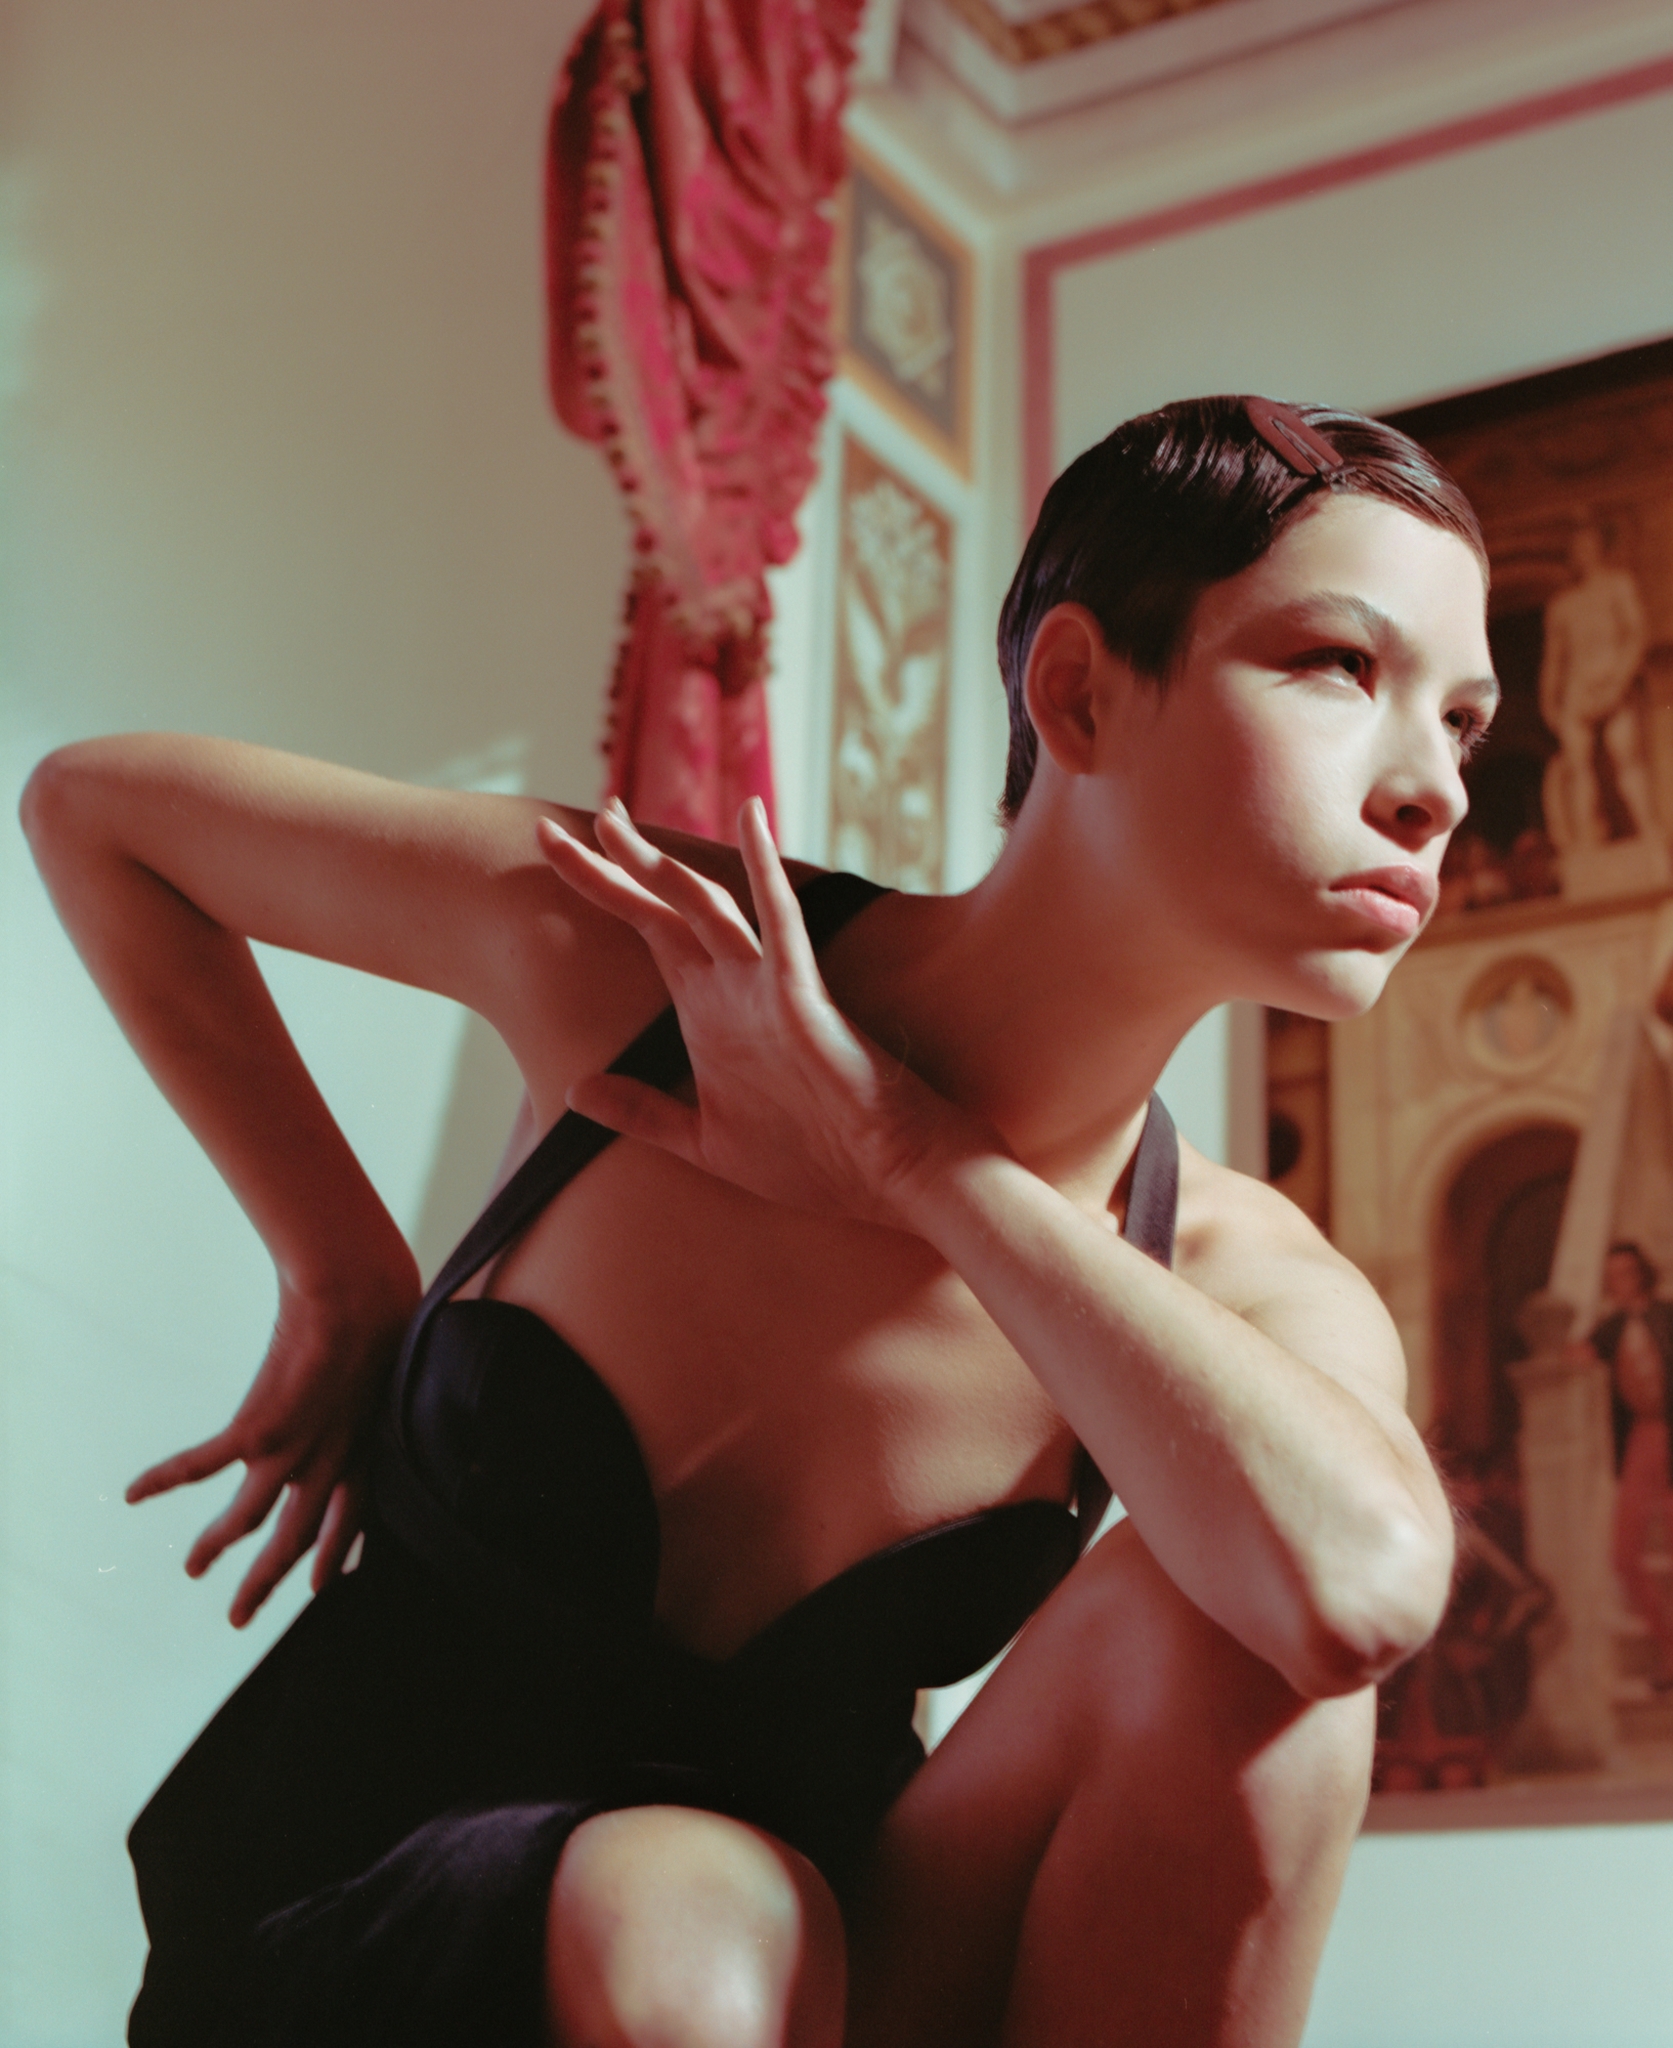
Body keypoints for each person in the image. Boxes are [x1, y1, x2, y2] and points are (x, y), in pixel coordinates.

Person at [21, 395, 1491, 2048]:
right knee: (700, 1928)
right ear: (1079, 689)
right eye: (1339, 666)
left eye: (1462, 722)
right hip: (384, 1939)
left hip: (822, 1962)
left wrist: (911, 1157)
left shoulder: (1239, 1271)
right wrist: (341, 1270)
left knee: (1257, 1651)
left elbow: (1355, 1599)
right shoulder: (664, 954)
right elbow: (100, 814)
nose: (1432, 787)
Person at [1585, 1242, 1673, 1687]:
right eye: (1610, 1277)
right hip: (1641, 1438)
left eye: (1623, 1274)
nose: (1616, 1284)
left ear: (1640, 1275)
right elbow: (1576, 1355)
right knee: (1624, 1556)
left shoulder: (1667, 1316)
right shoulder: (1612, 1327)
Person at [1538, 525, 1652, 851]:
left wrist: (1619, 680)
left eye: (1588, 546)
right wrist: (1549, 701)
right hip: (1578, 689)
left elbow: (1636, 635)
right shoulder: (1563, 604)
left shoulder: (1618, 585)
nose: (1583, 554)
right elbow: (1554, 659)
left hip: (1611, 679)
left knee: (1625, 755)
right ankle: (1585, 844)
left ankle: (1649, 831)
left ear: (1600, 547)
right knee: (1578, 765)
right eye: (1577, 548)